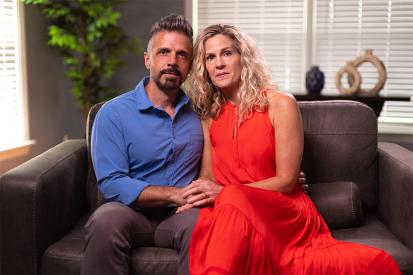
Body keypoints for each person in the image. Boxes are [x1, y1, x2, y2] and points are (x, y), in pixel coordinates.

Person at [184, 24, 401, 275]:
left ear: (244, 58)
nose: (218, 63)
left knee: (231, 201)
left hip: (281, 210)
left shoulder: (280, 104)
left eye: (227, 53)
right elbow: (207, 178)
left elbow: (287, 181)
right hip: (231, 212)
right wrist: (193, 195)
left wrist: (225, 192)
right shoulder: (209, 116)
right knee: (217, 217)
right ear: (204, 67)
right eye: (210, 57)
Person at [81, 14, 201, 275]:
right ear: (148, 59)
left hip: (183, 214)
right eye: (164, 52)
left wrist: (280, 175)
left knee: (206, 223)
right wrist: (172, 193)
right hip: (129, 212)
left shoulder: (202, 114)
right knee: (104, 220)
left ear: (190, 65)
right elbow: (112, 181)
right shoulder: (113, 114)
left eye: (181, 55)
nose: (172, 61)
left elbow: (233, 155)